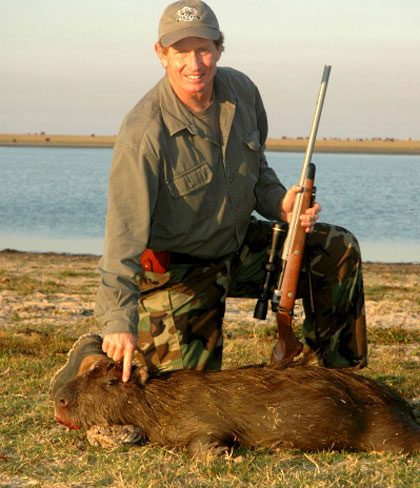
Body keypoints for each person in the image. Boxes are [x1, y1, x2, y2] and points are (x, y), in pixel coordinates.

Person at [51, 0, 367, 395]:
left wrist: (281, 206)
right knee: (185, 395)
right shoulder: (142, 134)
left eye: (203, 49)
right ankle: (95, 349)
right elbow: (122, 240)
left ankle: (345, 384)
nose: (194, 63)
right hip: (179, 272)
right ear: (161, 54)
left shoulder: (243, 91)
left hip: (238, 247)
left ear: (220, 48)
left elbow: (258, 173)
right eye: (181, 51)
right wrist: (117, 321)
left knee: (337, 248)